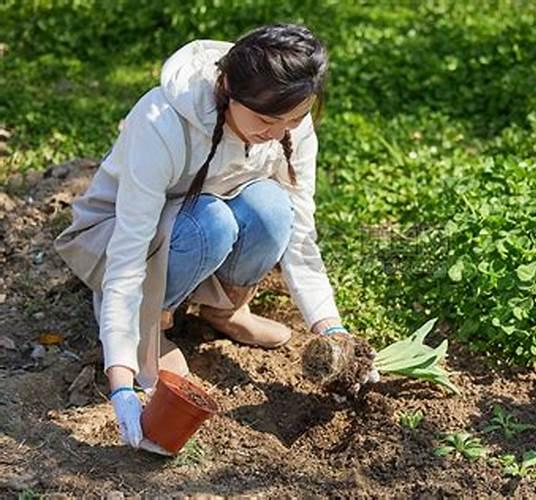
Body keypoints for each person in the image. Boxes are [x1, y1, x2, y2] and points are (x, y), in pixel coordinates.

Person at [54, 23, 376, 451]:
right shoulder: (161, 121)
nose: (280, 132)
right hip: (116, 238)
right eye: (266, 119)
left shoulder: (288, 126)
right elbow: (128, 254)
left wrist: (334, 331)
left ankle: (224, 311)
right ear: (226, 87)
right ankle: (152, 327)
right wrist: (121, 380)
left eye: (295, 119)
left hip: (199, 223)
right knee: (212, 223)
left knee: (273, 208)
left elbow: (300, 235)